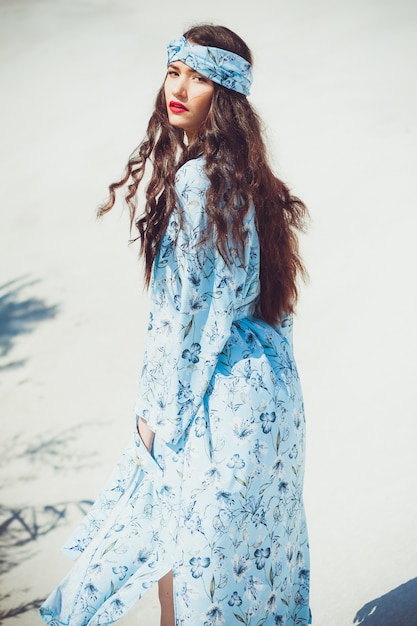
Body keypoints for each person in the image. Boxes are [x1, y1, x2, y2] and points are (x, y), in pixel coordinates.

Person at [40, 24, 311, 626]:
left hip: (210, 400)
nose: (179, 87)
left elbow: (185, 320)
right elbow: (278, 306)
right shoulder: (256, 181)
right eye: (174, 71)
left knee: (184, 571)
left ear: (228, 95)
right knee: (247, 571)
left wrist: (155, 413)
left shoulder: (195, 182)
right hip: (270, 396)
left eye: (200, 76)